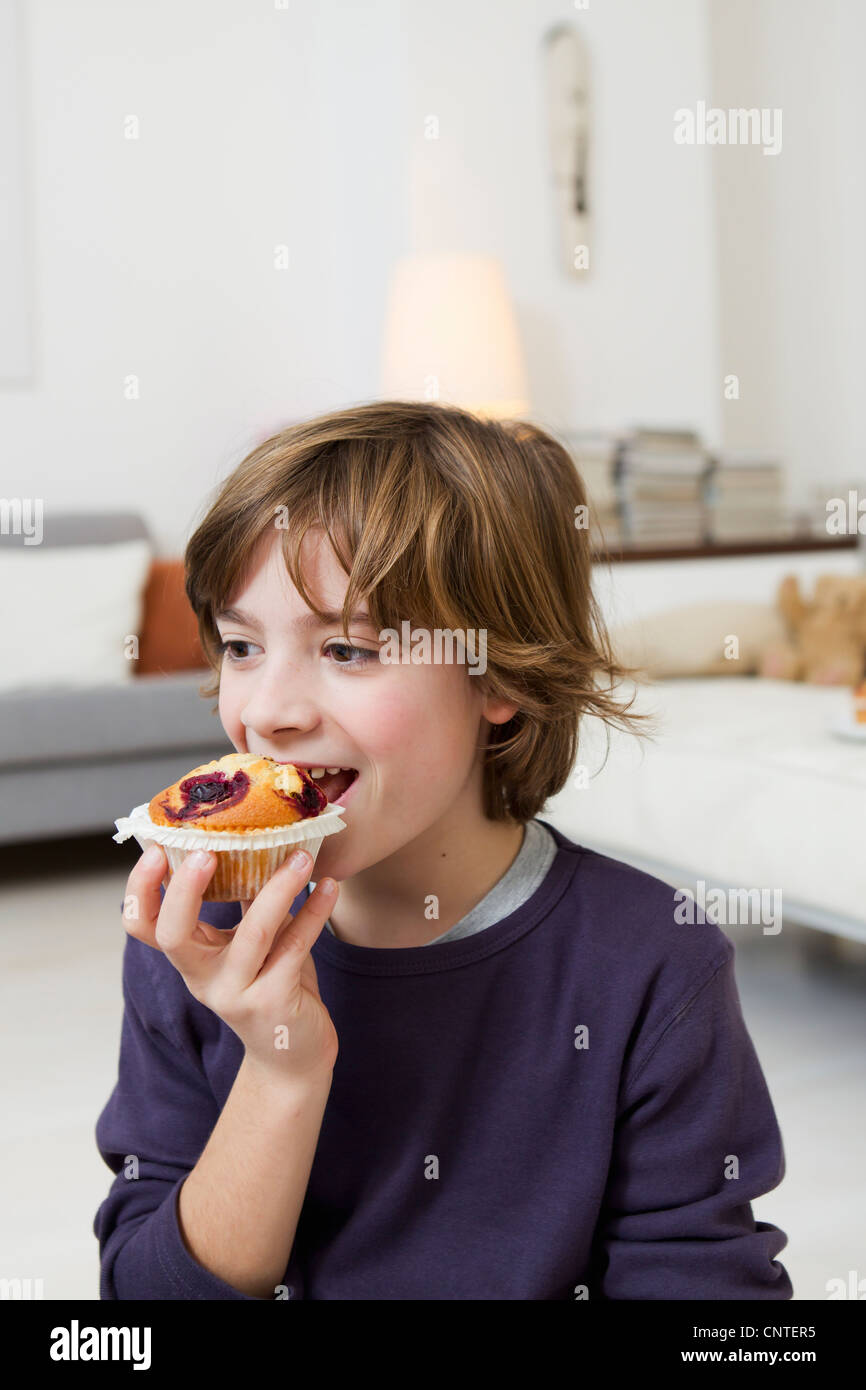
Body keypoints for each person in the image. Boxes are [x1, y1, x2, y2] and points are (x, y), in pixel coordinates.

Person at [93, 400, 792, 1300]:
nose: (267, 711)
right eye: (240, 645)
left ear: (497, 675)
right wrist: (278, 1071)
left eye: (346, 648)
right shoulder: (187, 942)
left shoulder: (653, 965)